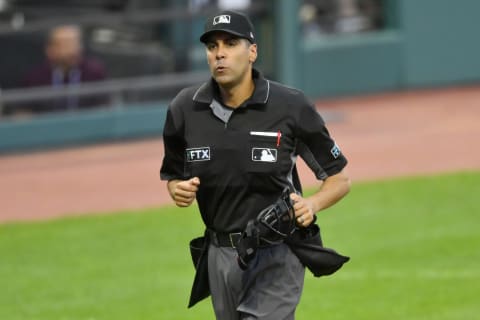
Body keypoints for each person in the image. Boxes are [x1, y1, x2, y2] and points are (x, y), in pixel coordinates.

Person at [160, 10, 350, 319]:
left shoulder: (290, 106)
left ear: (252, 51)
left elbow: (339, 179)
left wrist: (312, 204)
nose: (220, 53)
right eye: (212, 46)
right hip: (219, 256)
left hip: (276, 252)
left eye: (231, 43)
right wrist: (176, 189)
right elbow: (173, 173)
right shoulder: (185, 109)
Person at [19, 25, 107, 113]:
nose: (73, 50)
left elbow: (105, 109)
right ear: (50, 50)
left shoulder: (94, 73)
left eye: (76, 44)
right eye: (66, 45)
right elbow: (23, 113)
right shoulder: (35, 77)